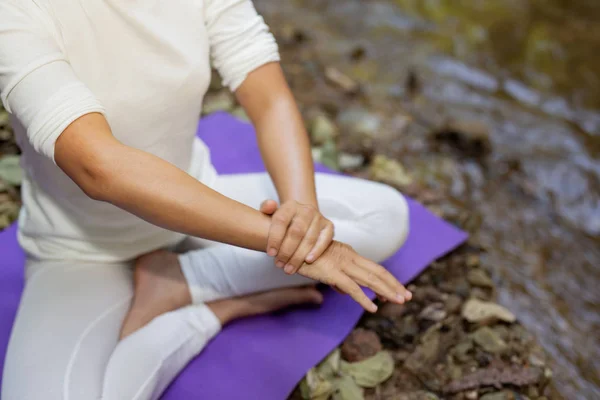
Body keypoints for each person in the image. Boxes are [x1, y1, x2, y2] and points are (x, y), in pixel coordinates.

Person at [0, 1, 412, 399]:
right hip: (82, 250)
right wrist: (290, 245)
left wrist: (303, 215)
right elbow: (99, 168)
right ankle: (210, 309)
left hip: (198, 197)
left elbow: (268, 99)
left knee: (385, 216)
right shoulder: (14, 13)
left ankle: (182, 279)